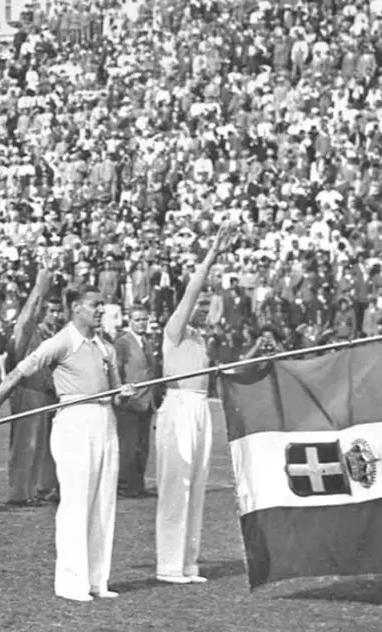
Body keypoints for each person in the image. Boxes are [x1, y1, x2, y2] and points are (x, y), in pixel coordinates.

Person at [0, 286, 133, 602]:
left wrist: (123, 394)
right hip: (75, 420)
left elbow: (115, 392)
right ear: (76, 308)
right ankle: (70, 582)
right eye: (95, 305)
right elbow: (17, 374)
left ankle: (96, 580)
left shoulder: (106, 347)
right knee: (76, 502)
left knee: (103, 501)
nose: (101, 310)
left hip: (105, 420)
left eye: (102, 304)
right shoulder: (61, 342)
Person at [154, 228, 229, 585]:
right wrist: (212, 253)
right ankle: (168, 564)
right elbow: (191, 291)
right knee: (177, 485)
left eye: (204, 305)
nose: (200, 308)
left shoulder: (200, 339)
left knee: (197, 484)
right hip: (178, 407)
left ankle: (188, 563)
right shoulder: (175, 330)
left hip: (200, 408)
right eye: (196, 304)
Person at [6, 269, 58, 506]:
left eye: (58, 311)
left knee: (43, 447)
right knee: (26, 444)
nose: (55, 316)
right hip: (28, 390)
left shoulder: (55, 335)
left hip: (48, 395)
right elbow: (27, 317)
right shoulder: (28, 333)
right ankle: (19, 493)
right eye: (51, 311)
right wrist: (40, 288)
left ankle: (37, 489)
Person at [114, 304, 158, 498]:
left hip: (147, 401)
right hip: (130, 402)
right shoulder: (123, 342)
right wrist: (121, 394)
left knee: (142, 445)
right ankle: (124, 485)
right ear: (129, 320)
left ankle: (138, 483)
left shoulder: (147, 342)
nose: (142, 323)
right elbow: (117, 369)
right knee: (128, 445)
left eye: (144, 319)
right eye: (138, 319)